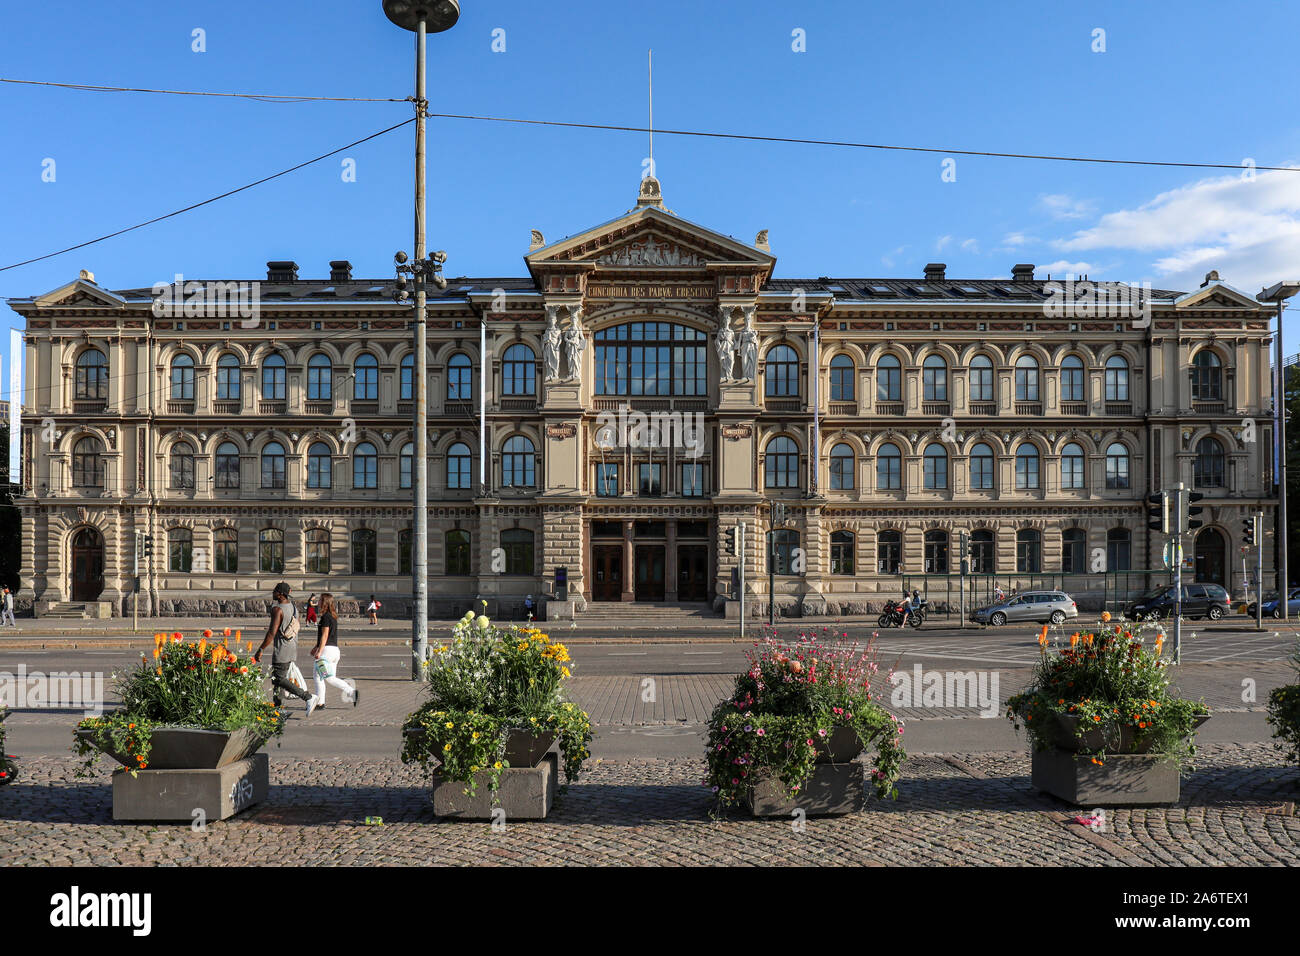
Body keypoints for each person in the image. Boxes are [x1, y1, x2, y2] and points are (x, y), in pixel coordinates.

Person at [252, 582, 318, 715]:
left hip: (282, 649)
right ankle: (277, 709)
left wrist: (261, 649)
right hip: (292, 646)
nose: (273, 592)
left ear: (280, 594)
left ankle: (308, 697)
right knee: (276, 680)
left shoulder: (278, 610)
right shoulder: (293, 607)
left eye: (275, 590)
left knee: (279, 678)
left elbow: (271, 632)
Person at [310, 593, 358, 708]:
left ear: (325, 602)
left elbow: (325, 635)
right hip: (334, 651)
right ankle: (351, 692)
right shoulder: (332, 616)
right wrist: (316, 647)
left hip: (326, 652)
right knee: (330, 678)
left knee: (318, 676)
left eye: (320, 600)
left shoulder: (325, 617)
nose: (319, 602)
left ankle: (320, 703)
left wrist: (319, 651)